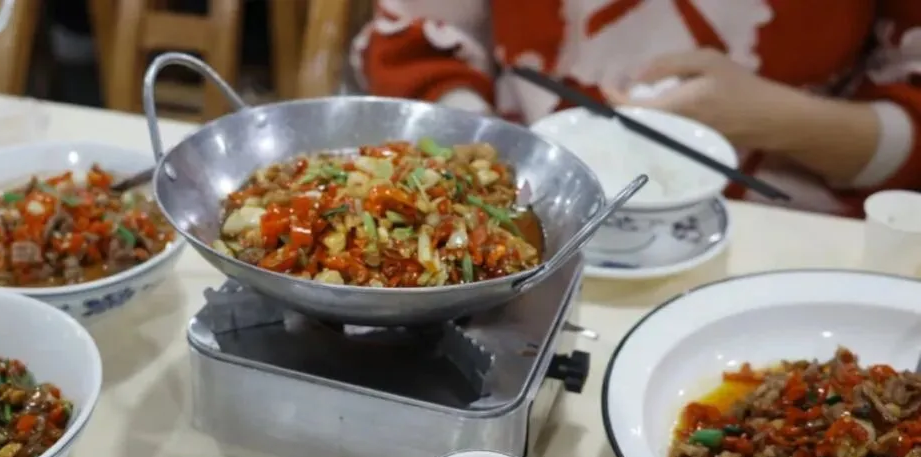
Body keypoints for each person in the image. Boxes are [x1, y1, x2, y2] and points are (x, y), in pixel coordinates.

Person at [351, 0, 921, 216]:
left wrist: (783, 119)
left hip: (791, 223)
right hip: (525, 195)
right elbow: (420, 42)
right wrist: (482, 164)